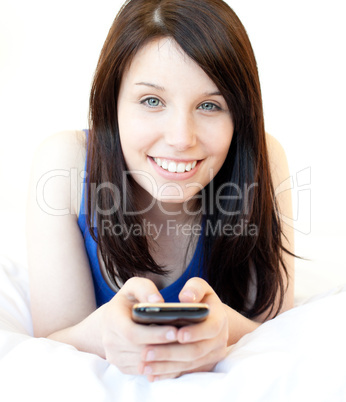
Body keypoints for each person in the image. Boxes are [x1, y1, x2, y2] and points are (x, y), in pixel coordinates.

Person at [26, 0, 294, 382]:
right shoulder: (64, 164)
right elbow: (49, 341)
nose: (181, 138)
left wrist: (227, 331)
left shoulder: (265, 160)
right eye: (152, 101)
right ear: (111, 103)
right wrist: (104, 332)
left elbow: (290, 335)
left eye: (209, 105)